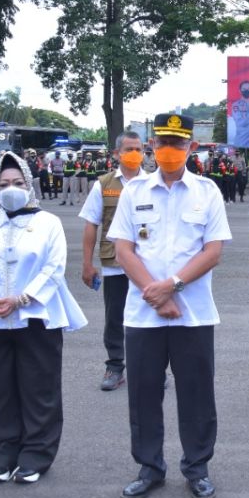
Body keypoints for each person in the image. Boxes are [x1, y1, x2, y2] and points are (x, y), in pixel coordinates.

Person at [108, 113, 231, 498]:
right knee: (143, 393)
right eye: (162, 142)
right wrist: (154, 293)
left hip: (192, 312)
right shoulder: (134, 191)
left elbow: (213, 251)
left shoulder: (207, 191)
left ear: (191, 147)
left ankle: (197, 468)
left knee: (196, 394)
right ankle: (149, 468)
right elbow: (123, 249)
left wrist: (172, 286)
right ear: (151, 146)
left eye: (177, 144)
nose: (169, 150)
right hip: (144, 313)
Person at [0, 152, 86, 484]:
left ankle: (36, 454)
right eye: (3, 184)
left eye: (17, 183)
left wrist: (20, 300)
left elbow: (54, 269)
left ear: (30, 184)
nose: (10, 189)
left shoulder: (48, 223)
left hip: (36, 318)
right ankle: (0, 453)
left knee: (39, 388)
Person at [80, 132, 146, 391]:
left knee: (148, 316)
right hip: (114, 263)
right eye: (129, 149)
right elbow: (91, 225)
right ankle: (115, 366)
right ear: (116, 153)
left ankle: (152, 368)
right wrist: (87, 264)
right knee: (114, 317)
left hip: (146, 262)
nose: (134, 153)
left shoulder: (153, 182)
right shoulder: (103, 183)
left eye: (138, 149)